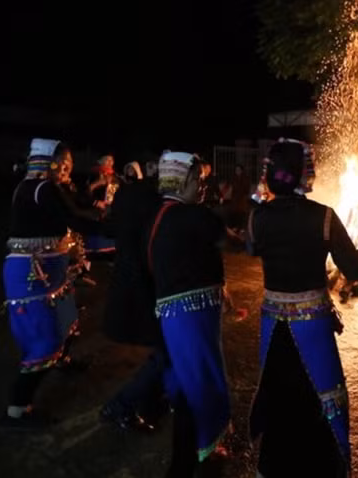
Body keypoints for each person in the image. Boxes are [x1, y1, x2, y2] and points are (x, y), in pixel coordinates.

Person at [247, 139, 358, 478]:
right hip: (313, 326)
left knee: (279, 394)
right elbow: (354, 271)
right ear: (304, 174)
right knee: (319, 397)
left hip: (274, 326)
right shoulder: (323, 217)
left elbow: (252, 249)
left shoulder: (259, 217)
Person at [0, 138, 100, 428]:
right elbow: (74, 217)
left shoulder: (42, 187)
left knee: (66, 318)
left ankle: (62, 361)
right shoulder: (42, 188)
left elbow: (75, 206)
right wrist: (118, 231)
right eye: (65, 164)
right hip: (32, 279)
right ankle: (16, 411)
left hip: (49, 275)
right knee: (43, 341)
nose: (69, 169)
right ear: (51, 163)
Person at [148, 151, 230, 476]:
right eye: (199, 180)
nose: (202, 187)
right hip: (192, 320)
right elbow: (226, 240)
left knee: (187, 383)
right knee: (200, 385)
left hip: (173, 318)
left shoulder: (159, 216)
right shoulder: (194, 216)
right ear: (184, 180)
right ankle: (190, 461)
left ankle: (193, 455)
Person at [100, 165, 166, 432]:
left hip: (138, 286)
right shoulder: (157, 204)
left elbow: (110, 228)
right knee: (166, 352)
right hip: (147, 288)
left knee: (165, 351)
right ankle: (122, 405)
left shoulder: (132, 196)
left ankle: (147, 400)